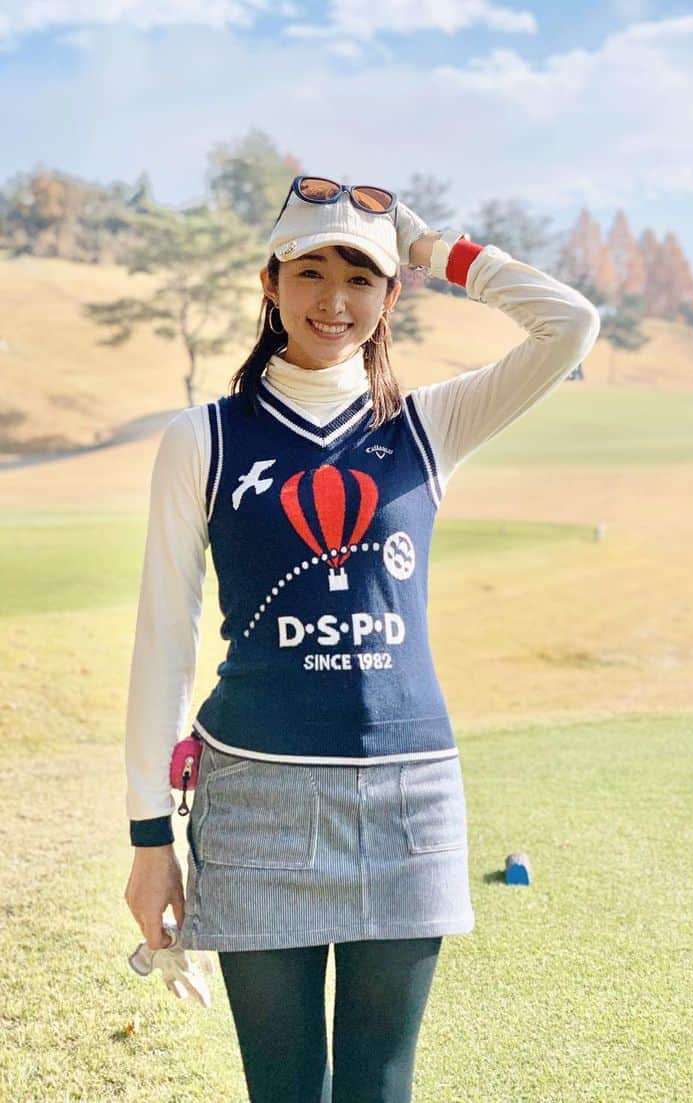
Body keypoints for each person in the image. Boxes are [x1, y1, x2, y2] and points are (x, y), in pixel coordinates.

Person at [123, 175, 601, 1103]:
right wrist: (149, 839)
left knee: (380, 1085)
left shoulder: (430, 426)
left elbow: (570, 324)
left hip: (409, 801)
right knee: (288, 1090)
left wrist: (434, 251)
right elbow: (163, 641)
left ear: (389, 298)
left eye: (360, 276)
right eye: (309, 271)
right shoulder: (204, 439)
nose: (333, 301)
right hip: (255, 795)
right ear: (270, 283)